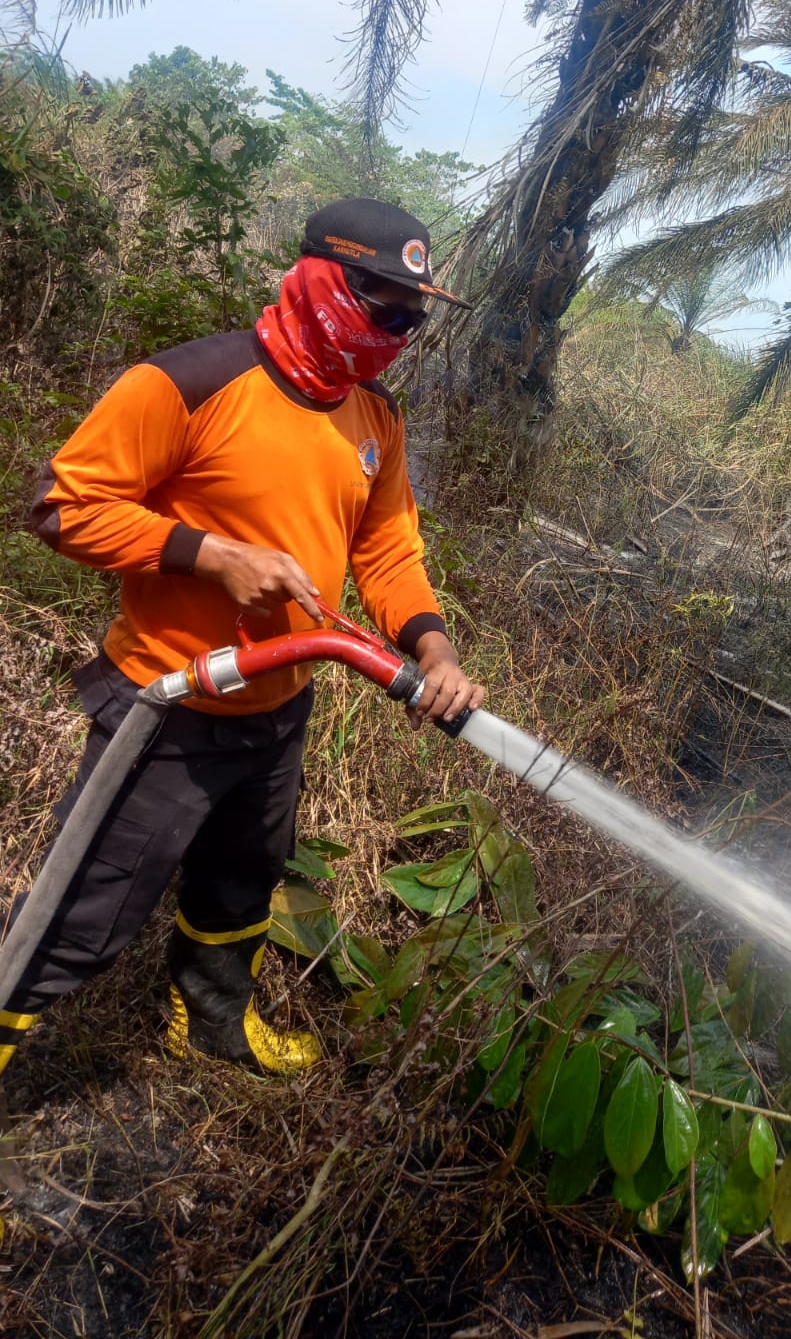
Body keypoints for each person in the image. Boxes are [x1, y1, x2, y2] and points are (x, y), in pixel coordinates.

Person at [1, 198, 485, 1078]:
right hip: (170, 706)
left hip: (277, 706)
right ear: (322, 282)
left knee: (242, 878)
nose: (400, 330)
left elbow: (386, 551)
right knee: (83, 912)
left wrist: (433, 646)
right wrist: (207, 554)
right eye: (385, 304)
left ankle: (216, 1026)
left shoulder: (374, 417)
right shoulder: (191, 382)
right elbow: (61, 506)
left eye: (414, 317)